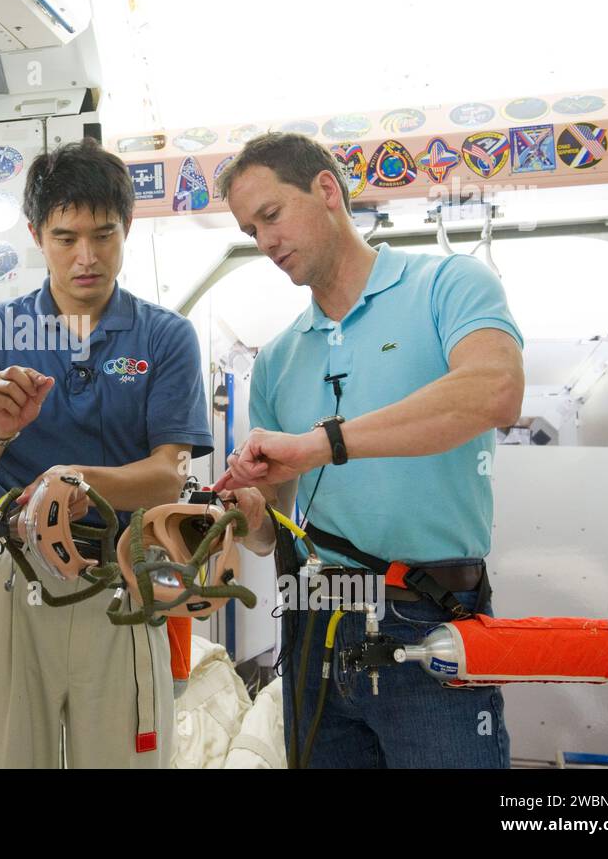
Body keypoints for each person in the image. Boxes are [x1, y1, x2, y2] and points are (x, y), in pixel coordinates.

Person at [214, 132, 525, 768]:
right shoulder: (274, 361)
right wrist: (244, 511)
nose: (265, 242)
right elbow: (272, 530)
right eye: (251, 230)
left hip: (430, 617)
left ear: (326, 190)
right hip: (316, 626)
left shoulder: (448, 284)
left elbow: (496, 389)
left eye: (271, 215)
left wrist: (323, 443)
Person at [0, 138, 216, 768]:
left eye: (103, 235)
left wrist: (67, 478)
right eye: (65, 238)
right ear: (36, 234)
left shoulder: (164, 336)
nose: (86, 257)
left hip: (121, 579)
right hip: (13, 578)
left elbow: (168, 477)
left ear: (127, 229)